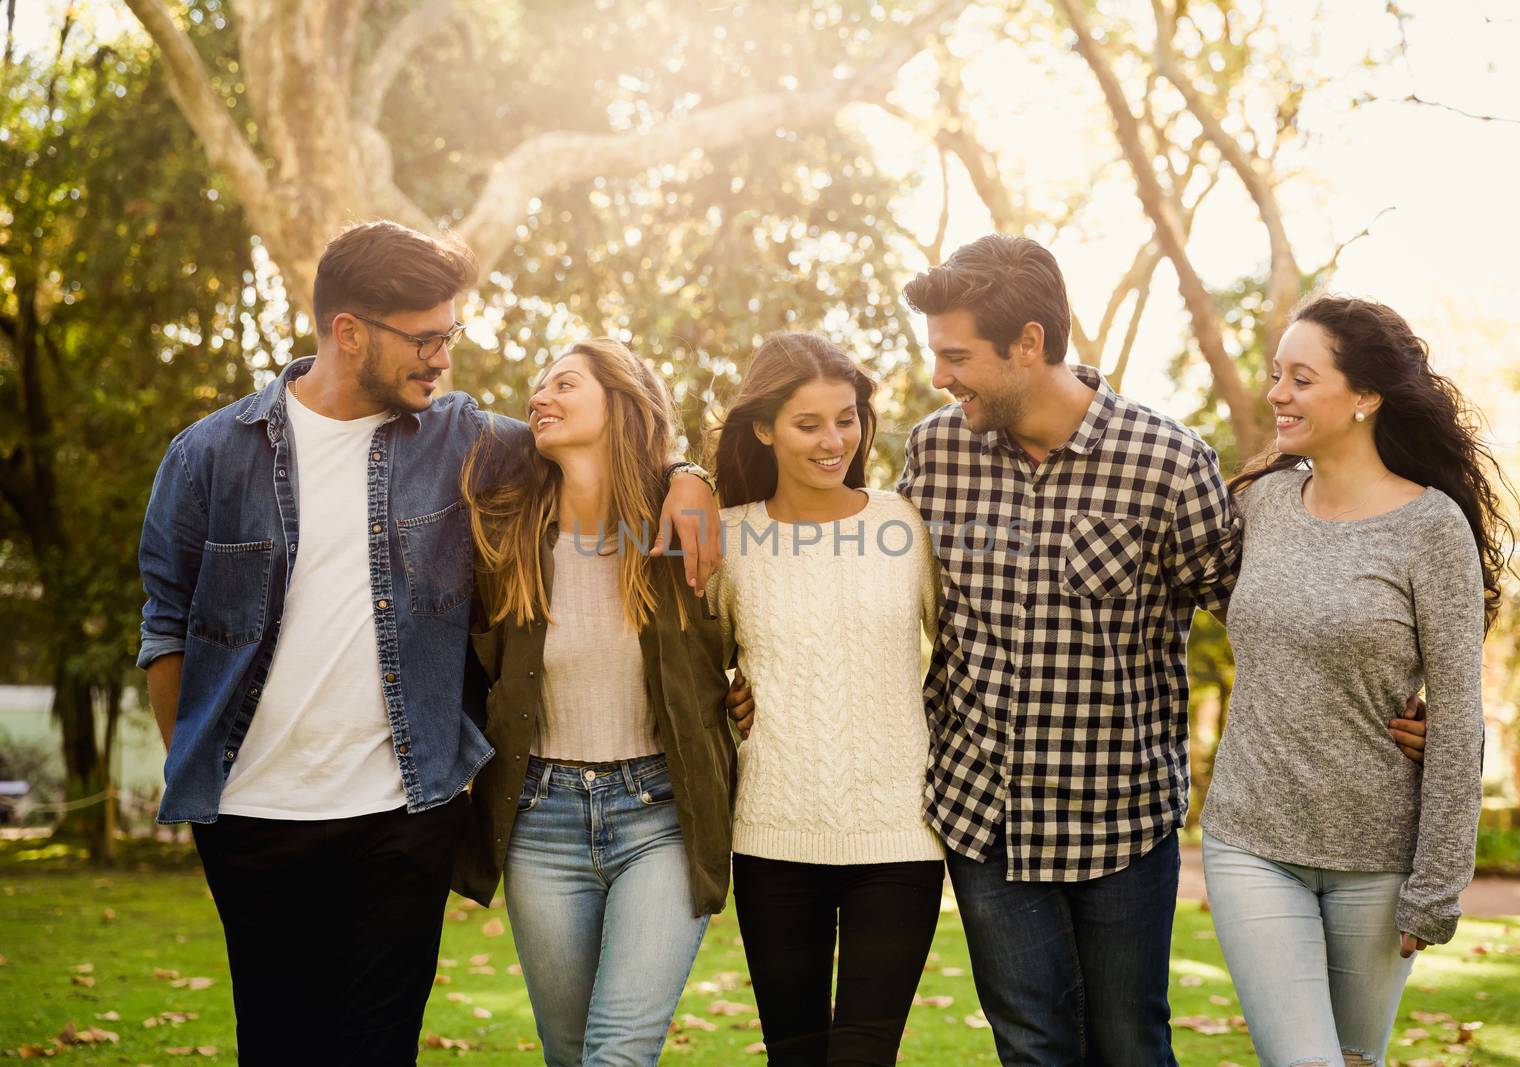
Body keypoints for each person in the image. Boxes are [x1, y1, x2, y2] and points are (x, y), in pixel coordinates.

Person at [136, 221, 718, 1066]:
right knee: (277, 1042)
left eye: (449, 336)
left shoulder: (463, 440)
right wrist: (205, 783)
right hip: (253, 816)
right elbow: (167, 629)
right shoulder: (207, 457)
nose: (442, 360)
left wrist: (690, 474)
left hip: (403, 815)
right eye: (425, 339)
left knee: (381, 1048)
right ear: (350, 332)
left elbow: (610, 445)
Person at [886, 236, 1430, 1066]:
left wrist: (1404, 687)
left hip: (1122, 821)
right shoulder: (936, 451)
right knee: (1031, 1047)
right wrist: (691, 482)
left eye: (956, 356)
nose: (940, 377)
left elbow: (1265, 610)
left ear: (1029, 343)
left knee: (1132, 1045)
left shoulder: (1167, 462)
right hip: (981, 811)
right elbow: (856, 564)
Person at [1200, 296, 1509, 1067]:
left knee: (1354, 1059)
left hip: (1379, 858)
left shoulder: (1433, 528)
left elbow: (1460, 718)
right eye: (1277, 375)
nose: (1277, 393)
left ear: (1365, 395)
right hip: (1252, 838)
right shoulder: (1261, 502)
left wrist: (1437, 884)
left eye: (1301, 378)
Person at [452, 338, 736, 1067]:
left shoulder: (682, 528)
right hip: (539, 820)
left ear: (621, 402)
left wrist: (689, 472)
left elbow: (751, 633)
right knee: (570, 1051)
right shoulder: (508, 532)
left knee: (617, 1050)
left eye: (565, 384)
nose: (539, 398)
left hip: (661, 816)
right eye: (537, 387)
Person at [707, 333, 946, 1066]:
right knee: (795, 1053)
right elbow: (698, 671)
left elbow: (965, 650)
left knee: (864, 1053)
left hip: (899, 836)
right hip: (773, 836)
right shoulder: (729, 538)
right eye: (809, 423)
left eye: (846, 418)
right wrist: (729, 697)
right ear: (764, 428)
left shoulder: (904, 523)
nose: (833, 439)